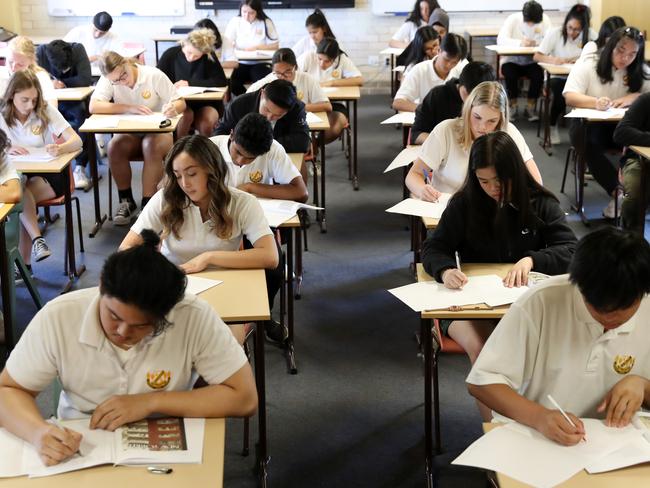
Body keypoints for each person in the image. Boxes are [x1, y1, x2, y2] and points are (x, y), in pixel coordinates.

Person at [0, 229, 258, 466]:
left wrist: (151, 402)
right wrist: (37, 432)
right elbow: (8, 390)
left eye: (141, 326)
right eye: (114, 316)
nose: (122, 332)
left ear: (165, 314)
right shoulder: (59, 317)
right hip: (81, 443)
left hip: (165, 440)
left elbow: (245, 398)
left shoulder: (192, 315)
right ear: (101, 285)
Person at [422, 131, 576, 420]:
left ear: (515, 173)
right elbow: (433, 247)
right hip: (471, 305)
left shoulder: (538, 202)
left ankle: (536, 421)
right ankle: (496, 434)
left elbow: (571, 249)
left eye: (499, 180)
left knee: (547, 356)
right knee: (484, 353)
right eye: (483, 181)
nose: (492, 188)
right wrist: (444, 270)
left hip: (524, 305)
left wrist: (533, 259)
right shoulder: (464, 203)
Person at [467, 227, 650, 444]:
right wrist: (540, 417)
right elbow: (482, 381)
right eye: (598, 309)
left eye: (622, 311)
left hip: (618, 442)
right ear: (579, 286)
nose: (609, 321)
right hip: (537, 437)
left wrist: (643, 386)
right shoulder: (540, 302)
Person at [119, 135, 285, 343]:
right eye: (178, 176)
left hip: (226, 288)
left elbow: (271, 256)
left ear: (212, 170)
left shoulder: (242, 203)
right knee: (166, 349)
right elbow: (125, 249)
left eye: (191, 174)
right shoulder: (165, 200)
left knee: (227, 349)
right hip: (176, 289)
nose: (185, 184)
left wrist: (208, 258)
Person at [89, 51, 186, 226]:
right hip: (131, 132)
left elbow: (181, 102)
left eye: (123, 75)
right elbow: (94, 106)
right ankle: (126, 201)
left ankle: (147, 204)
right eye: (115, 81)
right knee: (114, 146)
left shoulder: (152, 75)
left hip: (159, 133)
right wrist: (128, 107)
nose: (121, 82)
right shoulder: (109, 78)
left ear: (127, 63)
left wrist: (173, 108)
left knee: (151, 145)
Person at [563, 26, 650, 219]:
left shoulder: (640, 70)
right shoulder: (589, 64)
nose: (625, 58)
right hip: (588, 124)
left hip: (621, 127)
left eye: (632, 54)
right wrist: (595, 102)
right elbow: (569, 96)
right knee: (589, 144)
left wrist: (633, 97)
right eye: (621, 50)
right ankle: (617, 192)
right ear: (611, 46)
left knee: (640, 142)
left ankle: (637, 195)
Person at [405, 81, 542, 201]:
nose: (482, 127)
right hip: (449, 210)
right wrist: (422, 190)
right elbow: (413, 175)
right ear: (468, 110)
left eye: (491, 121)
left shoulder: (508, 131)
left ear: (501, 119)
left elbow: (535, 180)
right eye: (477, 117)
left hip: (495, 211)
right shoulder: (446, 131)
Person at [0, 71, 82, 270]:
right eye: (24, 100)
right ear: (11, 96)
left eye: (34, 99)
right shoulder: (1, 112)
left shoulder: (44, 110)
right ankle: (36, 245)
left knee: (18, 198)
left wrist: (60, 148)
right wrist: (6, 147)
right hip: (14, 175)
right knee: (19, 191)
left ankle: (23, 265)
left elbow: (77, 141)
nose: (30, 105)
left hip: (49, 175)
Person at [211, 112, 308, 202]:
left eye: (250, 158)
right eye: (238, 152)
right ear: (231, 135)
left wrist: (250, 187)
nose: (240, 161)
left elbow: (301, 193)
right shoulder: (209, 147)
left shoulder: (272, 149)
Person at [533, 4, 595, 145]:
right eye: (570, 28)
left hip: (581, 78)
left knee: (593, 94)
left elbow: (598, 56)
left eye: (577, 30)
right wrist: (553, 60)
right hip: (557, 77)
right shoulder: (555, 33)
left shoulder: (591, 36)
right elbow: (537, 56)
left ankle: (586, 133)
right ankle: (552, 126)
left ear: (584, 29)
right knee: (562, 94)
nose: (572, 32)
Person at [36, 39, 93, 189]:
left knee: (81, 117)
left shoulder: (78, 49)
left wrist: (62, 83)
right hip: (50, 102)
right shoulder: (42, 52)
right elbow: (35, 79)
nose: (61, 71)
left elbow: (85, 78)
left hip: (73, 102)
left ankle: (80, 166)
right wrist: (49, 84)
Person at [157, 28, 228, 138]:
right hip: (178, 101)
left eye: (196, 56)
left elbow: (221, 81)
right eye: (189, 52)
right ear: (184, 44)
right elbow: (157, 80)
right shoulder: (170, 54)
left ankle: (206, 150)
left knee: (208, 119)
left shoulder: (208, 56)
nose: (191, 58)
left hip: (204, 103)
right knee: (186, 115)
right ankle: (179, 148)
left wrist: (189, 83)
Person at [215, 78, 310, 154]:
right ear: (262, 93)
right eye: (267, 109)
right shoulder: (239, 104)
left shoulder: (296, 108)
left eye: (277, 115)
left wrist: (260, 144)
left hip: (278, 155)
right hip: (244, 156)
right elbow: (220, 133)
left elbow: (302, 142)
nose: (269, 117)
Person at [410, 61, 495, 145]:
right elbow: (416, 134)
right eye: (467, 94)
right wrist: (445, 144)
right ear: (460, 83)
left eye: (476, 97)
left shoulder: (492, 100)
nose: (471, 101)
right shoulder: (437, 95)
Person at [297, 38, 362, 143]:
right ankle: (309, 146)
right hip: (310, 103)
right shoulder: (308, 57)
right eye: (319, 59)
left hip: (334, 104)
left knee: (336, 126)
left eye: (327, 61)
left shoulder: (341, 59)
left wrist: (331, 83)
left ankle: (315, 145)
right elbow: (293, 75)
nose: (322, 64)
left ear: (334, 58)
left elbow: (359, 79)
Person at [497, 0, 551, 121]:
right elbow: (501, 39)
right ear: (524, 16)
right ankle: (512, 106)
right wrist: (520, 43)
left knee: (538, 75)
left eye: (534, 23)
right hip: (512, 60)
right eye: (529, 22)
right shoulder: (513, 19)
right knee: (509, 74)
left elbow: (549, 41)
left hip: (532, 60)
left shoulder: (545, 20)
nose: (531, 25)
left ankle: (530, 108)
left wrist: (537, 43)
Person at [392, 33, 468, 113]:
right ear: (439, 50)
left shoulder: (462, 68)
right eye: (446, 59)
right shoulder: (420, 70)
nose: (449, 65)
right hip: (428, 120)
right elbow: (397, 103)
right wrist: (426, 109)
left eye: (454, 62)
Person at [247, 48, 331, 114]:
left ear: (295, 67)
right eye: (278, 73)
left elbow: (327, 106)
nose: (282, 77)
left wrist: (296, 108)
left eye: (287, 72)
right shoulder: (269, 80)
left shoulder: (307, 79)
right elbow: (247, 96)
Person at [612, 91, 650, 231]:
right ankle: (630, 239)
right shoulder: (646, 100)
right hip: (639, 160)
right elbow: (621, 132)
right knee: (636, 192)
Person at [225, 0, 279, 96]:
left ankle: (254, 101)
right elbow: (227, 42)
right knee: (230, 82)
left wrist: (256, 47)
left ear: (257, 11)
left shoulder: (266, 22)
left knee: (263, 83)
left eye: (251, 13)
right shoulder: (235, 21)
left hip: (261, 63)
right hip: (240, 63)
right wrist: (231, 45)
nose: (246, 16)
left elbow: (275, 45)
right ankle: (246, 100)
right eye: (244, 12)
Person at [0, 36, 57, 108]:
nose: (13, 68)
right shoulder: (1, 75)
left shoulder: (40, 77)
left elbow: (52, 105)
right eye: (10, 62)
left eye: (20, 64)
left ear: (31, 61)